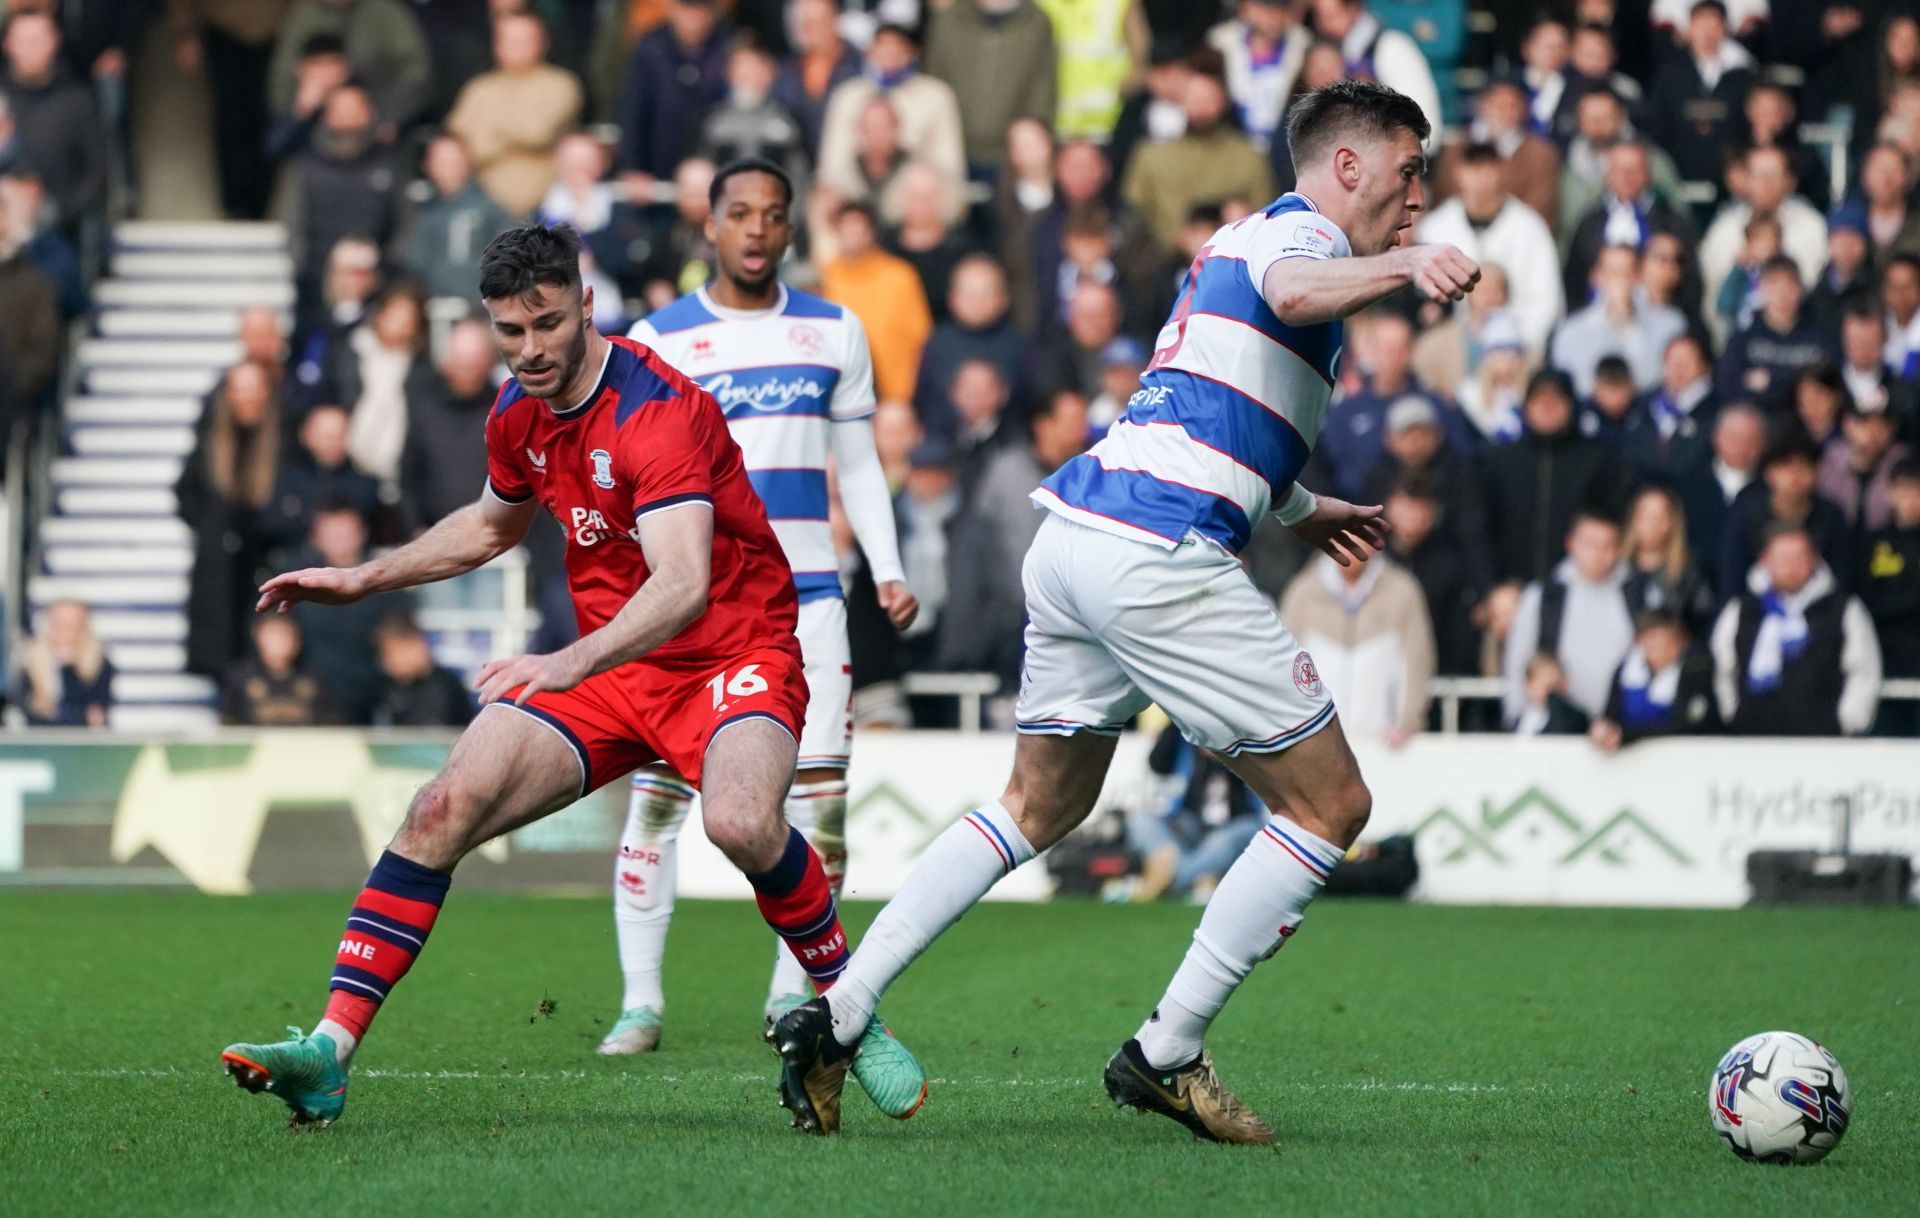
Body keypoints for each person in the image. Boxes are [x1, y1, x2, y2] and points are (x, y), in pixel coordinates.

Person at [765, 80, 1477, 1143]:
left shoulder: (1260, 256)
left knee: (1035, 807)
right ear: (1346, 167)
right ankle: (1168, 1049)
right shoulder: (1291, 238)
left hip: (1081, 542)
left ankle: (841, 1013)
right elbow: (1288, 293)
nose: (1419, 196)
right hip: (1155, 554)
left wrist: (1302, 505)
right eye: (1409, 172)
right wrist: (1405, 266)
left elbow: (1212, 402)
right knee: (1330, 807)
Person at [219, 223, 923, 1132]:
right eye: (510, 332)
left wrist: (561, 662)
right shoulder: (516, 413)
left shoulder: (657, 410)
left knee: (740, 820)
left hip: (730, 651)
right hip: (612, 667)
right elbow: (488, 525)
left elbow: (682, 583)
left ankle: (851, 1014)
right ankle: (329, 1052)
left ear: (586, 304)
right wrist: (363, 577)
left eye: (546, 324)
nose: (530, 349)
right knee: (442, 808)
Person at [609, 158, 919, 1069]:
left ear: (791, 230)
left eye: (772, 215)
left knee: (818, 808)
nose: (755, 228)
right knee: (658, 805)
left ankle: (792, 994)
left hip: (809, 603)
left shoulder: (834, 331)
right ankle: (639, 1004)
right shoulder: (655, 341)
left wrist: (889, 570)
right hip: (692, 608)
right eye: (738, 213)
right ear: (710, 225)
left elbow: (857, 464)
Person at [1711, 522, 1883, 736]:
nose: (1791, 568)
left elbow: (1864, 671)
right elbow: (1722, 668)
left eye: (1798, 559)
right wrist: (1734, 715)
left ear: (1814, 559)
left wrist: (1847, 722)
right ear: (1764, 560)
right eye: (1782, 560)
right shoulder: (1742, 610)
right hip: (1752, 743)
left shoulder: (1844, 609)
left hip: (1825, 745)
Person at [179, 360, 282, 679]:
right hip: (219, 575)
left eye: (254, 389)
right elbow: (186, 496)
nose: (247, 398)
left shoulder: (283, 444)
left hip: (268, 567)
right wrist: (214, 533)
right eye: (240, 389)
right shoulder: (209, 445)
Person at [1480, 368, 1631, 585]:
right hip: (1513, 590)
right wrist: (1491, 587)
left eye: (1555, 400)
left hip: (1580, 587)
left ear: (1570, 406)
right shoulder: (1500, 461)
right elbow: (1483, 530)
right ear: (1526, 406)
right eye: (1539, 400)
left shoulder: (1598, 460)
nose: (1546, 407)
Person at [1414, 141, 1562, 357]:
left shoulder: (1530, 227)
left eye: (1488, 167)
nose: (1481, 177)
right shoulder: (1434, 228)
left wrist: (1511, 343)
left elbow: (1546, 302)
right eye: (1473, 168)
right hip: (1451, 350)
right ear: (1458, 173)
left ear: (1502, 171)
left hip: (1515, 350)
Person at [1278, 551, 1435, 745]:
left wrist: (1408, 723)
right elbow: (1284, 668)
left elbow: (1417, 663)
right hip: (1317, 746)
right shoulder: (1302, 592)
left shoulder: (1402, 591)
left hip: (1386, 747)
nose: (1352, 543)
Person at [1121, 52, 1274, 249]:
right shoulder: (1151, 155)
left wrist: (1239, 224)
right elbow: (1133, 218)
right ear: (1180, 100)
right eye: (1193, 97)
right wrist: (1176, 240)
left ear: (1223, 100)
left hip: (1234, 261)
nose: (1200, 106)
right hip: (1164, 266)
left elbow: (1268, 217)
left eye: (1207, 97)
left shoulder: (1249, 156)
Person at [444, 10, 584, 217]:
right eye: (509, 39)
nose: (516, 45)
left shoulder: (561, 84)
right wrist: (511, 137)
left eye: (525, 39)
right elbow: (460, 141)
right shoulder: (478, 88)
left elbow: (537, 133)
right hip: (483, 210)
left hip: (545, 209)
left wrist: (491, 134)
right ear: (496, 44)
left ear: (543, 43)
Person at [1501, 509, 1634, 725]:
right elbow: (1518, 659)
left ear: (1619, 548)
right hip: (1557, 728)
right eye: (1590, 544)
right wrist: (1515, 717)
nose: (1599, 554)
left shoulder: (1636, 594)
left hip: (1622, 730)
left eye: (1607, 545)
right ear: (1571, 543)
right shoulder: (1543, 596)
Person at [1126, 723, 1268, 903]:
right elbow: (1157, 764)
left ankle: (1166, 879)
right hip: (1191, 819)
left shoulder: (1244, 730)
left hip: (1238, 822)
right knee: (1143, 820)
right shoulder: (1185, 734)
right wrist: (1176, 721)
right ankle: (1191, 875)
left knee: (1223, 840)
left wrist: (1229, 756)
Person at [923, 0, 1057, 175]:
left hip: (1010, 155)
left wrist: (1032, 129)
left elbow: (1043, 85)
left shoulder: (1036, 22)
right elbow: (933, 82)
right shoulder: (950, 19)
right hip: (950, 150)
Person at [817, 200, 932, 404]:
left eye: (860, 228)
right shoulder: (823, 276)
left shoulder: (900, 276)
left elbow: (921, 336)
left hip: (897, 398)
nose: (853, 234)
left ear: (872, 232)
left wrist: (908, 396)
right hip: (839, 396)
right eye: (846, 227)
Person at [0, 11, 104, 228]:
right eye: (24, 41)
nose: (32, 49)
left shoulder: (77, 100)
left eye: (38, 40)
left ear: (54, 42)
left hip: (59, 225)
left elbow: (97, 170)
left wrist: (61, 213)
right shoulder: (2, 99)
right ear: (8, 44)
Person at [1720, 433, 1853, 602]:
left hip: (1822, 612)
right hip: (1755, 612)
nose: (1795, 475)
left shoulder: (1831, 516)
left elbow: (1841, 579)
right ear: (1769, 473)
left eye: (1805, 466)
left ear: (1817, 472)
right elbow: (1732, 580)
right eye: (1785, 466)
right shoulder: (1745, 515)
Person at [615, 0, 729, 184]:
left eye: (700, 11)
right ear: (673, 10)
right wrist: (633, 167)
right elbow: (633, 110)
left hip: (712, 169)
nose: (693, 19)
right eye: (687, 10)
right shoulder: (650, 47)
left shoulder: (729, 45)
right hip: (655, 169)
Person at [1549, 243, 1687, 396]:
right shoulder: (1570, 331)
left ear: (1638, 277)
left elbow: (1656, 381)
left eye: (1627, 273)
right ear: (1596, 277)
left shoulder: (1670, 324)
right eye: (1613, 273)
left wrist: (1629, 324)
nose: (1620, 282)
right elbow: (1575, 387)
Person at [400, 317, 497, 531]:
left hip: (496, 534)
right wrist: (416, 527)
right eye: (461, 365)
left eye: (472, 366)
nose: (466, 374)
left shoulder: (504, 411)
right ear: (447, 364)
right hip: (436, 534)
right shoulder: (426, 409)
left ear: (487, 364)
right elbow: (409, 474)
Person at [404, 135, 518, 302]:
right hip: (430, 303)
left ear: (468, 163)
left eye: (455, 161)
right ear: (427, 165)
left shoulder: (489, 208)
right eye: (442, 161)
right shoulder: (421, 210)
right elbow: (414, 262)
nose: (449, 168)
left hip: (480, 305)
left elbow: (510, 256)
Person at [1587, 609, 1719, 750]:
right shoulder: (1627, 670)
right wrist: (1604, 729)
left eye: (1665, 643)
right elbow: (1610, 714)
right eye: (1650, 643)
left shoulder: (1697, 670)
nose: (1656, 652)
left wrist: (1628, 735)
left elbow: (1687, 726)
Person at [1857, 458, 1920, 733]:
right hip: (1882, 664)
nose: (1912, 499)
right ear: (1890, 492)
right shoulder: (1871, 543)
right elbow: (1863, 604)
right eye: (1905, 489)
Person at [1621, 484, 1716, 637]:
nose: (1652, 524)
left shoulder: (1690, 572)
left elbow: (1702, 620)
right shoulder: (1616, 570)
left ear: (1672, 522)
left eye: (1660, 517)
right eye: (1645, 515)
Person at [220, 614, 337, 726]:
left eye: (285, 635)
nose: (279, 642)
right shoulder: (241, 678)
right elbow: (228, 725)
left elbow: (332, 724)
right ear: (257, 638)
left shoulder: (314, 679)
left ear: (297, 641)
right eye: (272, 635)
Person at [15, 599, 112, 727]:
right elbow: (31, 713)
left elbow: (93, 715)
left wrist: (70, 671)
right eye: (60, 625)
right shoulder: (30, 662)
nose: (67, 633)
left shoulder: (100, 664)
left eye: (74, 626)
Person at [369, 613, 474, 728]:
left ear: (420, 645)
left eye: (400, 651)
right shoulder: (381, 688)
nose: (393, 661)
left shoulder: (449, 686)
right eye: (387, 654)